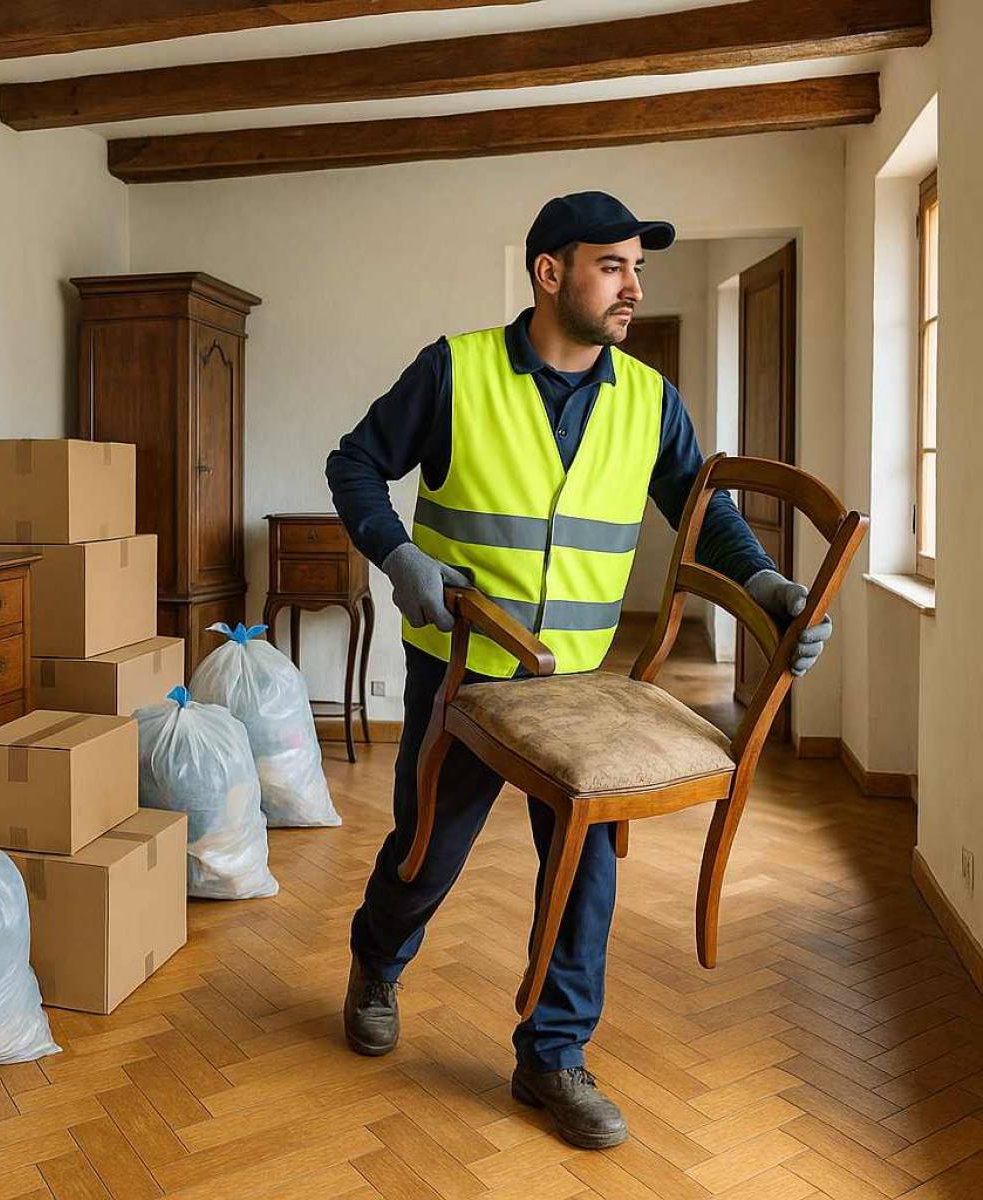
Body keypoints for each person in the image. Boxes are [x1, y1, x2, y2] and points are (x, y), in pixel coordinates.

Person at [324, 191, 833, 1149]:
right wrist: (400, 557)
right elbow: (354, 465)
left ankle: (551, 1056)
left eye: (639, 268)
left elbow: (701, 515)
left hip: (580, 690)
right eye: (613, 265)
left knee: (585, 866)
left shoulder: (649, 399)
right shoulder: (456, 370)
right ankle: (377, 962)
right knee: (425, 854)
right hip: (462, 669)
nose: (633, 286)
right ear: (549, 271)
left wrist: (765, 584)